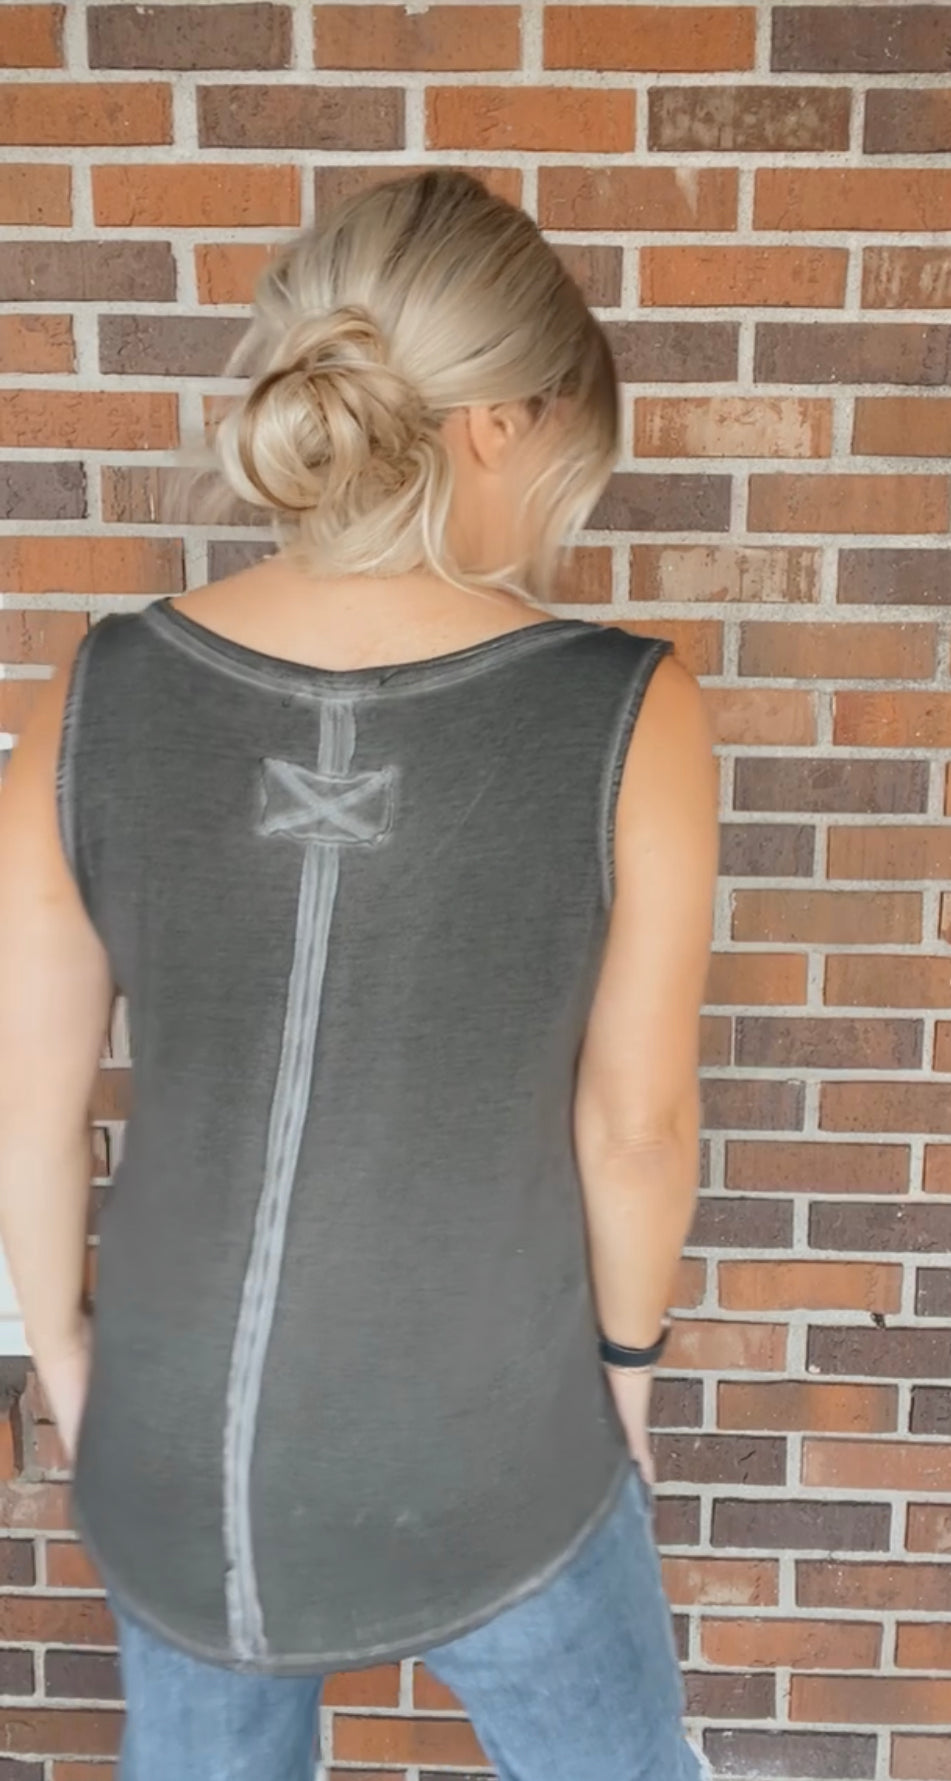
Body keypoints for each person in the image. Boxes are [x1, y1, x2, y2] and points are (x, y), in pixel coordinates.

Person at [0, 169, 718, 1781]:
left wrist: (70, 1360)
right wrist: (628, 1374)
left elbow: (23, 1108)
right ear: (499, 425)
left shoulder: (96, 690)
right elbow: (636, 1128)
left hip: (181, 1443)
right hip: (499, 1440)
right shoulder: (630, 710)